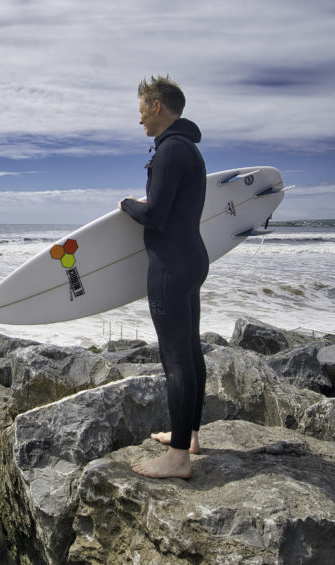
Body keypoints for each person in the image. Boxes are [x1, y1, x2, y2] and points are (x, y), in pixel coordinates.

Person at [119, 75, 208, 479]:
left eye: (141, 112)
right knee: (188, 351)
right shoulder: (187, 148)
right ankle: (187, 436)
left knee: (174, 358)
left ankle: (177, 459)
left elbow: (155, 215)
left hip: (170, 266)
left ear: (157, 107)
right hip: (191, 258)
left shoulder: (171, 150)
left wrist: (127, 205)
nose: (139, 122)